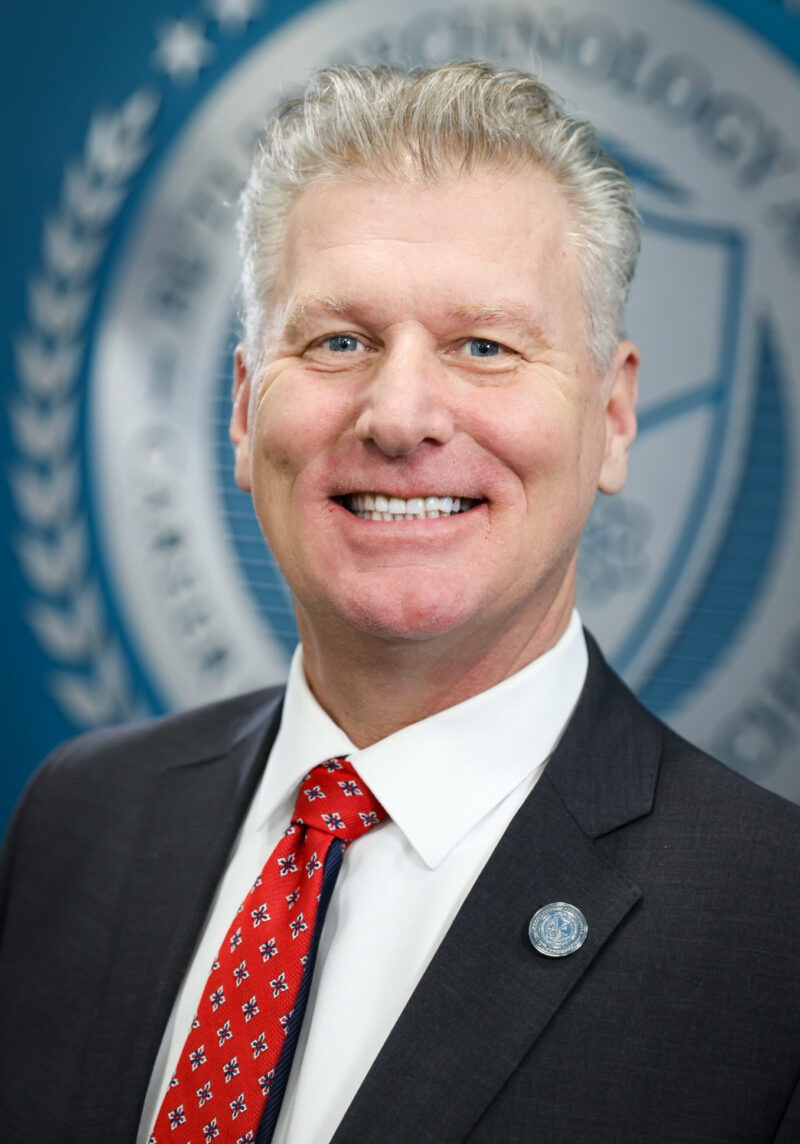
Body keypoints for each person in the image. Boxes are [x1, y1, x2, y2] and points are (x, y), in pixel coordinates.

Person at [1, 62, 799, 1144]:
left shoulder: (772, 929)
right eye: (338, 341)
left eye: (484, 346)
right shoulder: (79, 819)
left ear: (610, 416)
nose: (399, 414)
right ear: (243, 409)